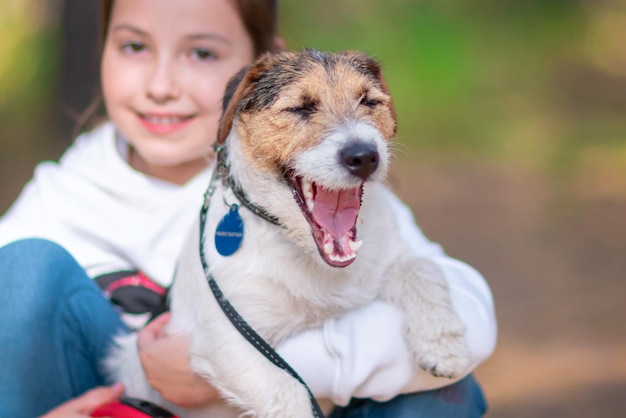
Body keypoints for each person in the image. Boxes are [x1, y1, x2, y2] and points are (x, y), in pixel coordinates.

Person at [0, 0, 497, 417]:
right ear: (100, 50)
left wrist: (246, 369)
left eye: (201, 52)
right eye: (134, 46)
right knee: (23, 269)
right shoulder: (63, 194)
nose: (162, 84)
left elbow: (469, 329)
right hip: (126, 399)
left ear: (262, 62)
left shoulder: (347, 199)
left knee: (448, 394)